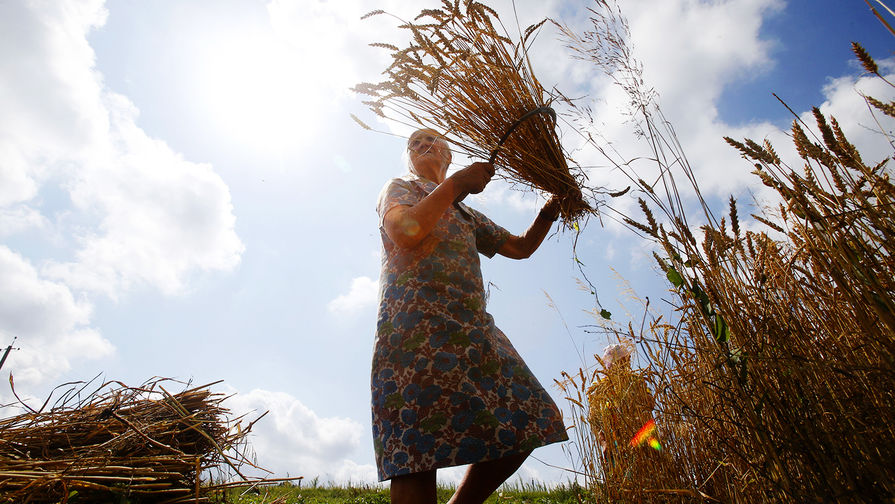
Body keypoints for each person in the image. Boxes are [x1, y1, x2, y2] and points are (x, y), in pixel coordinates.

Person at [371, 128, 569, 504]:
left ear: (448, 154)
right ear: (409, 158)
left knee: (533, 415)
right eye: (413, 142)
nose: (421, 143)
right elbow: (405, 231)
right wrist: (459, 183)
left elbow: (520, 247)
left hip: (471, 329)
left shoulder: (465, 212)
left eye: (432, 138)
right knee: (416, 449)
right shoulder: (399, 188)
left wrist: (549, 208)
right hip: (413, 329)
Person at [587, 340, 656, 485]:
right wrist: (604, 442)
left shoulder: (637, 381)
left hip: (640, 438)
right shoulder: (598, 386)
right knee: (620, 481)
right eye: (623, 360)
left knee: (648, 478)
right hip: (614, 443)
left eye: (628, 359)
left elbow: (650, 404)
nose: (627, 363)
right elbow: (593, 417)